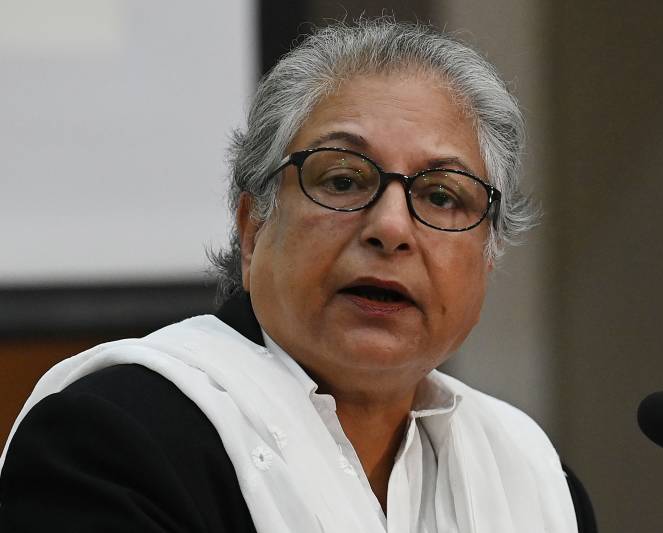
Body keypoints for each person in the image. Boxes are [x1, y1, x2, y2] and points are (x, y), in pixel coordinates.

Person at [0, 18, 596, 532]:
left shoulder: (533, 481)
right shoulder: (113, 442)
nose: (391, 228)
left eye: (441, 195)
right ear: (252, 224)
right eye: (342, 180)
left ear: (489, 254)